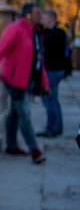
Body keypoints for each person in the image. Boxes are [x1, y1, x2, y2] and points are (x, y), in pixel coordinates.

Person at [0, 2, 50, 164]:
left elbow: (38, 61)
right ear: (28, 15)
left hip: (27, 80)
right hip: (13, 80)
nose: (40, 16)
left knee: (14, 112)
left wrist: (44, 82)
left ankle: (11, 147)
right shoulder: (15, 29)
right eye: (37, 13)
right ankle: (34, 150)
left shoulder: (35, 32)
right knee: (24, 113)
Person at [38, 10, 71, 138]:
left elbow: (47, 45)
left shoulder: (57, 32)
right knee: (53, 100)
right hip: (54, 70)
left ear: (51, 19)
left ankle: (52, 129)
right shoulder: (53, 32)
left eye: (44, 18)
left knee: (49, 99)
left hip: (53, 70)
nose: (42, 21)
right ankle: (56, 128)